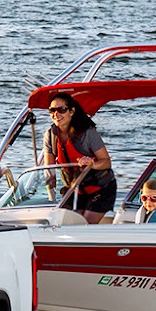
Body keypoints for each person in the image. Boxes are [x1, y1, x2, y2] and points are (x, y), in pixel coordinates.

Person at [43, 94, 116, 224]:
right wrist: (50, 194)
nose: (56, 114)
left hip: (100, 189)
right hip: (74, 189)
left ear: (72, 111)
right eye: (52, 110)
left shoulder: (87, 133)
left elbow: (106, 162)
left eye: (61, 110)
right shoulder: (50, 135)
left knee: (84, 224)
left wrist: (92, 164)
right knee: (62, 221)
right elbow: (49, 169)